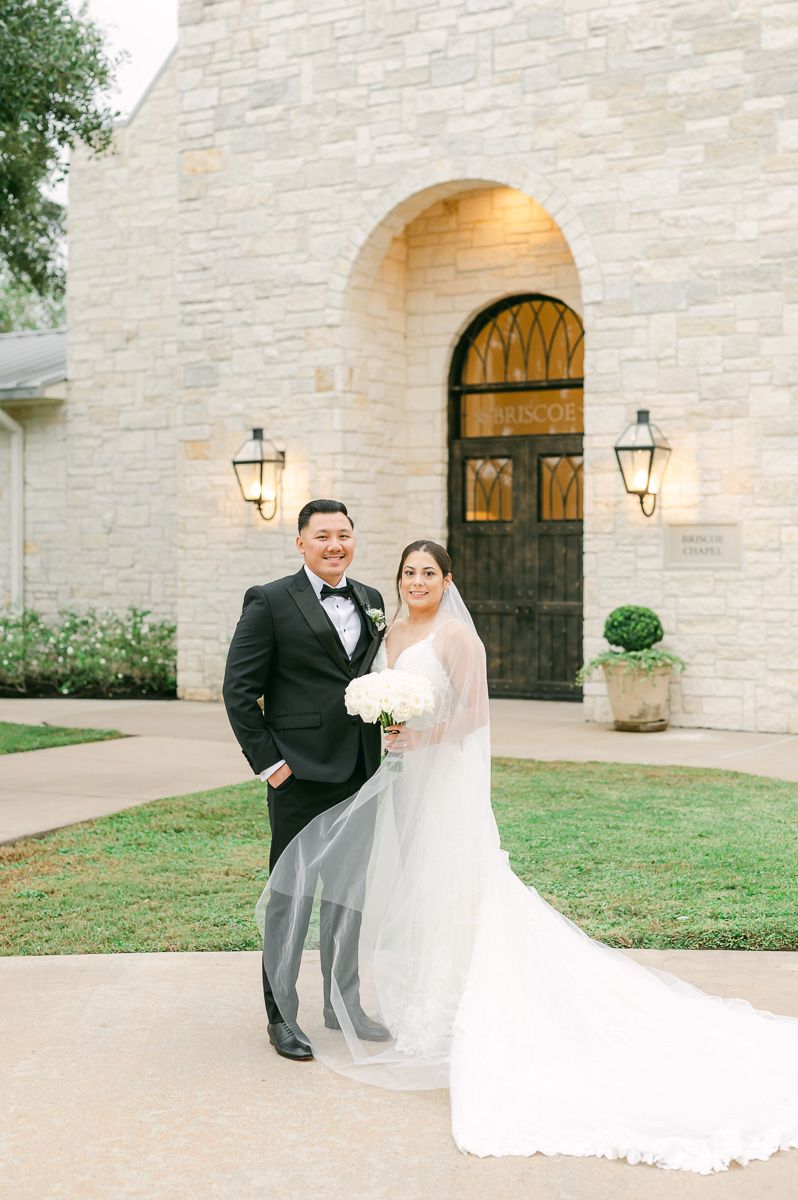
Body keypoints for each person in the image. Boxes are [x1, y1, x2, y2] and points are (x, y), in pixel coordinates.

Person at [256, 539, 798, 1174]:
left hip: (442, 778)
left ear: (447, 579)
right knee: (415, 889)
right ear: (397, 579)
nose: (418, 581)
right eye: (409, 572)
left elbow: (476, 716)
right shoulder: (390, 628)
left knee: (455, 883)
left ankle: (458, 1007)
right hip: (398, 780)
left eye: (429, 572)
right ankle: (407, 1002)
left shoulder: (456, 637)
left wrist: (419, 733)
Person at [222, 499, 389, 1061]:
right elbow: (239, 691)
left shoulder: (371, 600)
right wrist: (273, 767)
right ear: (300, 542)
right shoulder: (268, 601)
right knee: (289, 899)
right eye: (323, 536)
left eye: (344, 534)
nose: (335, 545)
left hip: (361, 772)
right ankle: (281, 1017)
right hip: (298, 775)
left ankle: (343, 1004)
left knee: (349, 896)